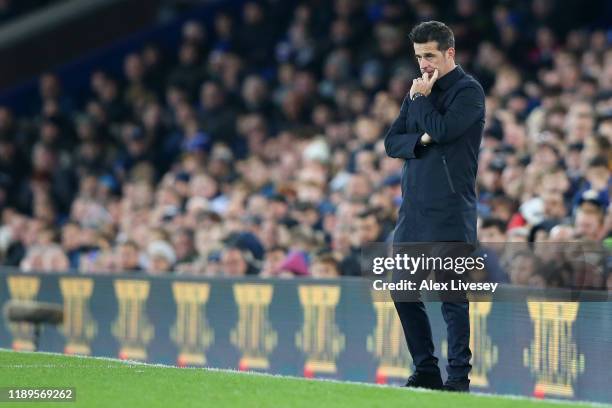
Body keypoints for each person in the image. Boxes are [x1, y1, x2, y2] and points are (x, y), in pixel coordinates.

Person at [384, 21, 485, 392]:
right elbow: (391, 142)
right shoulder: (415, 93)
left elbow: (443, 132)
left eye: (429, 55)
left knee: (452, 296)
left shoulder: (468, 91)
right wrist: (421, 135)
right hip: (413, 211)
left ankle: (458, 378)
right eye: (418, 57)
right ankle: (426, 368)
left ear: (449, 53)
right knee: (402, 290)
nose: (423, 64)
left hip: (450, 210)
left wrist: (423, 109)